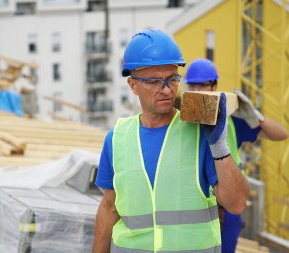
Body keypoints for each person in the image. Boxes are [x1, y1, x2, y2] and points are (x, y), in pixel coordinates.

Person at [92, 29, 249, 253]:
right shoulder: (117, 138)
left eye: (172, 79)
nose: (166, 89)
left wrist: (220, 147)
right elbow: (109, 207)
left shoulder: (200, 134)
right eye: (155, 81)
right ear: (133, 85)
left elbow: (237, 204)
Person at [185, 58, 288, 253]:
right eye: (192, 85)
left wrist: (255, 116)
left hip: (228, 206)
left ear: (215, 86)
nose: (197, 89)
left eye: (202, 85)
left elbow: (281, 134)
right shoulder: (186, 120)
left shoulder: (231, 122)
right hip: (199, 207)